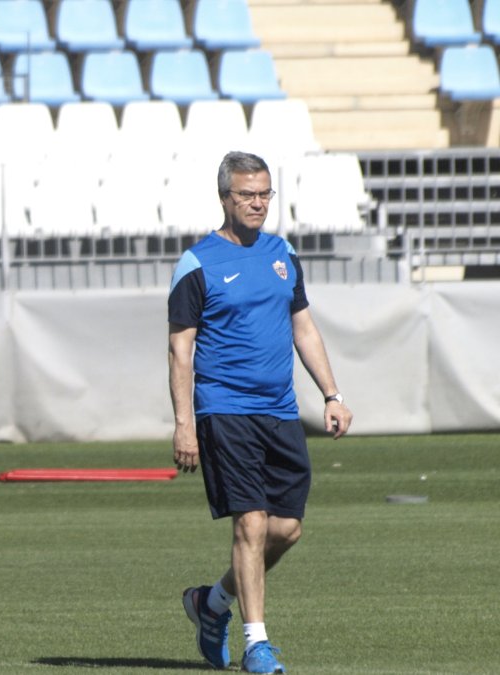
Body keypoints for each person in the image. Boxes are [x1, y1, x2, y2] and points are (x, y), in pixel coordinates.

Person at [167, 151, 353, 674]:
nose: (258, 203)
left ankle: (212, 604)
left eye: (265, 193)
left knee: (286, 529)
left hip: (280, 411)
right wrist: (184, 425)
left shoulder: (282, 253)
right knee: (250, 524)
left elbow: (303, 327)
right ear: (224, 198)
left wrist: (332, 394)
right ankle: (257, 644)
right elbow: (180, 349)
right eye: (247, 194)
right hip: (225, 410)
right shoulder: (197, 263)